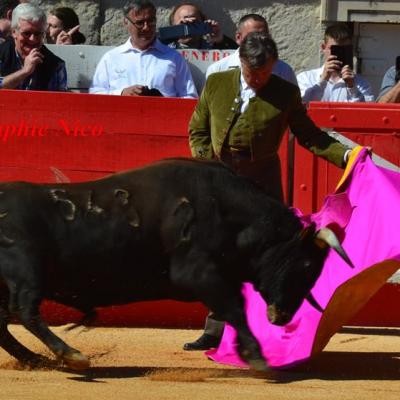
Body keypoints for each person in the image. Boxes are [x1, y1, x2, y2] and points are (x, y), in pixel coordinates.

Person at [185, 32, 353, 351]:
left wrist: (346, 156)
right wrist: (209, 170)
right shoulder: (218, 83)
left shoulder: (285, 93)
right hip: (221, 181)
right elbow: (197, 130)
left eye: (266, 72)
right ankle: (215, 329)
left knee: (271, 261)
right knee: (220, 254)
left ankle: (271, 331)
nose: (260, 79)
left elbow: (310, 137)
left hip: (262, 185)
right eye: (254, 73)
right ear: (242, 62)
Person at [90, 0, 197, 97]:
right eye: (140, 23)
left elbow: (190, 97)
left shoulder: (174, 58)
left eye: (151, 22)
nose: (146, 28)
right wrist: (121, 93)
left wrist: (163, 100)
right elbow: (95, 94)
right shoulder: (111, 58)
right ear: (126, 23)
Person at [206, 13, 297, 85]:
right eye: (252, 35)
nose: (259, 39)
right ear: (238, 37)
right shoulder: (218, 70)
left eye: (264, 35)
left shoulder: (283, 70)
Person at [296, 23, 374, 104]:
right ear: (323, 47)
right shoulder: (306, 78)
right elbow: (303, 107)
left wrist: (352, 87)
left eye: (345, 49)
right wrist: (323, 80)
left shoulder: (361, 83)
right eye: (334, 49)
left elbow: (365, 113)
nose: (339, 55)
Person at [0, 3, 67, 91]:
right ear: (14, 32)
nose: (33, 39)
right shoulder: (2, 54)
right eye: (27, 33)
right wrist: (25, 71)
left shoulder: (56, 65)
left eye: (38, 33)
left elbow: (60, 101)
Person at [164, 1, 237, 50]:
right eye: (183, 23)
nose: (189, 25)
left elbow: (236, 56)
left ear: (202, 22)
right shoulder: (163, 48)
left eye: (194, 22)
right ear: (173, 25)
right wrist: (176, 32)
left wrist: (221, 41)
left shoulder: (212, 47)